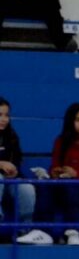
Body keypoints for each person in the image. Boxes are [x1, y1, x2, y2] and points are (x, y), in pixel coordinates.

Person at [22, 101, 79, 246]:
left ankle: (73, 232)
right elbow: (56, 165)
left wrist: (76, 174)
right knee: (45, 185)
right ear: (70, 122)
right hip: (66, 187)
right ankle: (43, 232)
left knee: (72, 185)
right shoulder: (61, 141)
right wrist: (55, 172)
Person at [0, 95, 38, 243]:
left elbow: (17, 158)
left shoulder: (11, 135)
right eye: (0, 115)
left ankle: (24, 230)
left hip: (9, 179)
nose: (4, 119)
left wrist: (13, 170)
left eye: (6, 115)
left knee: (26, 187)